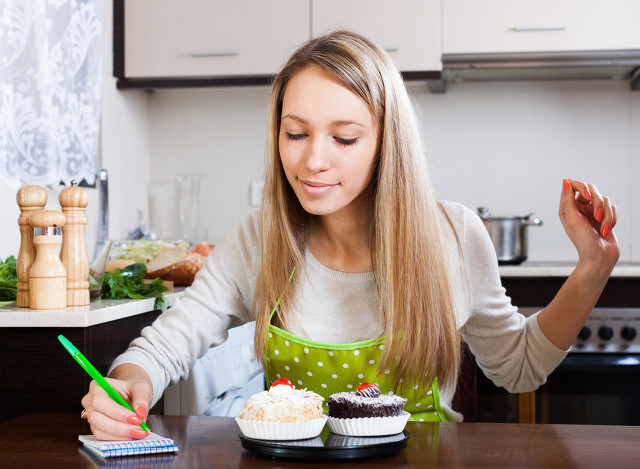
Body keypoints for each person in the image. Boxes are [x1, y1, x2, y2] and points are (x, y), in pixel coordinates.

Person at [81, 30, 619, 440]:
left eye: (344, 138)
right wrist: (133, 379)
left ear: (386, 143)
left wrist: (591, 270)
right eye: (295, 134)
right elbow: (170, 341)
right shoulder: (259, 240)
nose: (313, 160)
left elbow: (519, 369)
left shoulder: (453, 236)